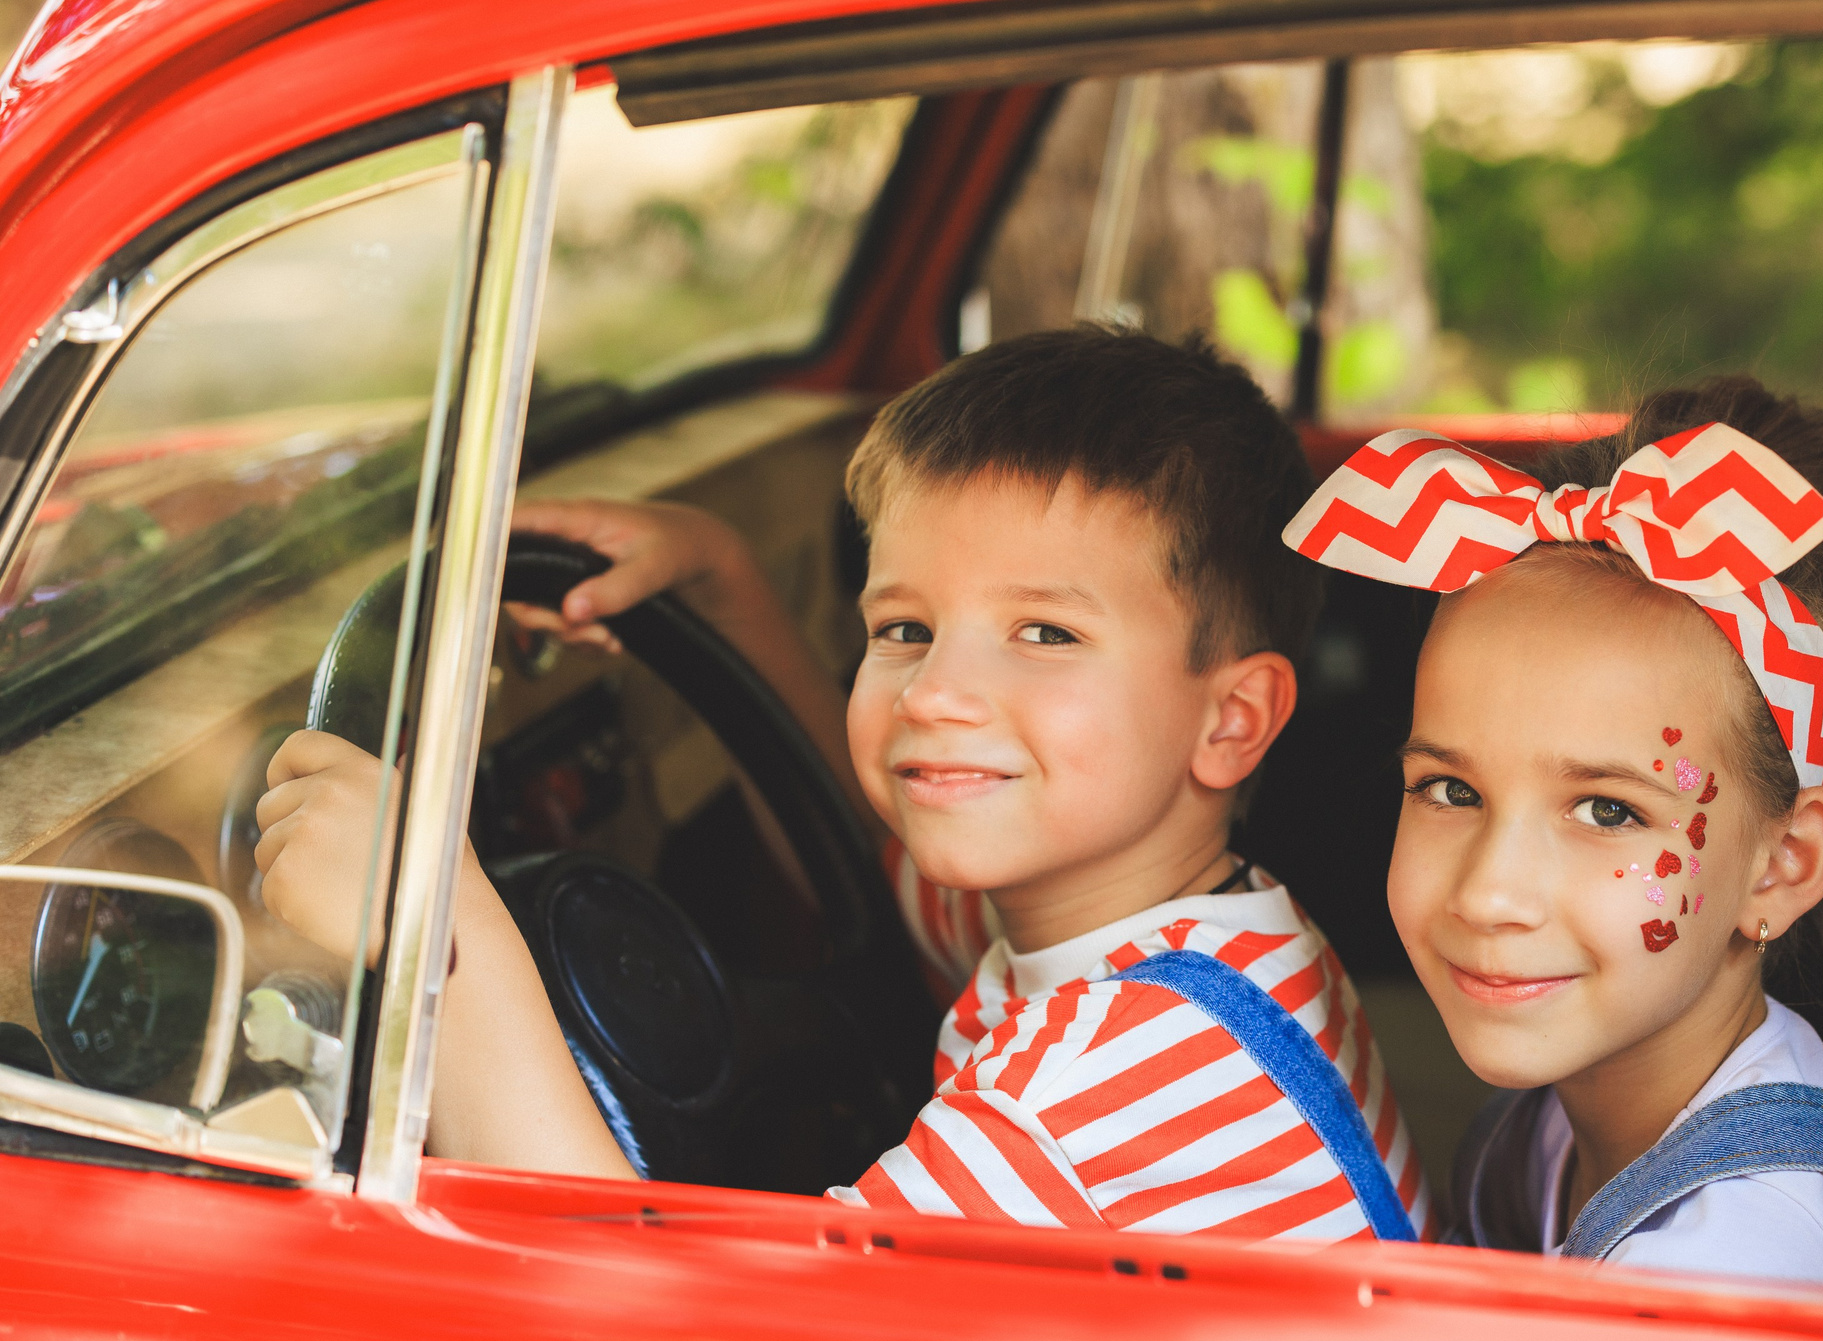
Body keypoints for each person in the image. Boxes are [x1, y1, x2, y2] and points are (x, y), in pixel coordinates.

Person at [255, 328, 1428, 1243]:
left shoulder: (1110, 1076)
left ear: (1230, 720)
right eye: (906, 627)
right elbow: (862, 860)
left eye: (1046, 635)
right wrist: (723, 589)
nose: (935, 695)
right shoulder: (1181, 924)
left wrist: (442, 928)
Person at [1283, 379, 1823, 1308]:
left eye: (1608, 812)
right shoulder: (1557, 1122)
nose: (1489, 893)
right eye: (1450, 790)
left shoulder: (1736, 1255)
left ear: (1784, 866)